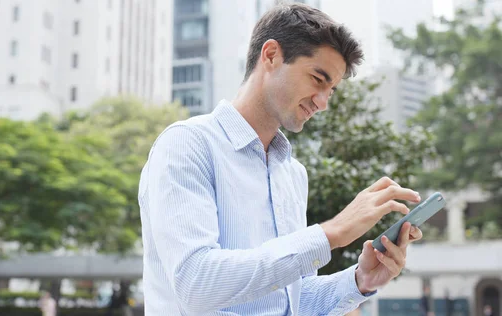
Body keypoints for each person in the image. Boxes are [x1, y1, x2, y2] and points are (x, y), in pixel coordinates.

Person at [138, 2, 424, 315]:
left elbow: (291, 302)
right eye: (318, 79)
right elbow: (196, 283)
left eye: (332, 89)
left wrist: (359, 280)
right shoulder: (187, 145)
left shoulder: (292, 173)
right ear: (271, 55)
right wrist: (332, 233)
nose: (323, 102)